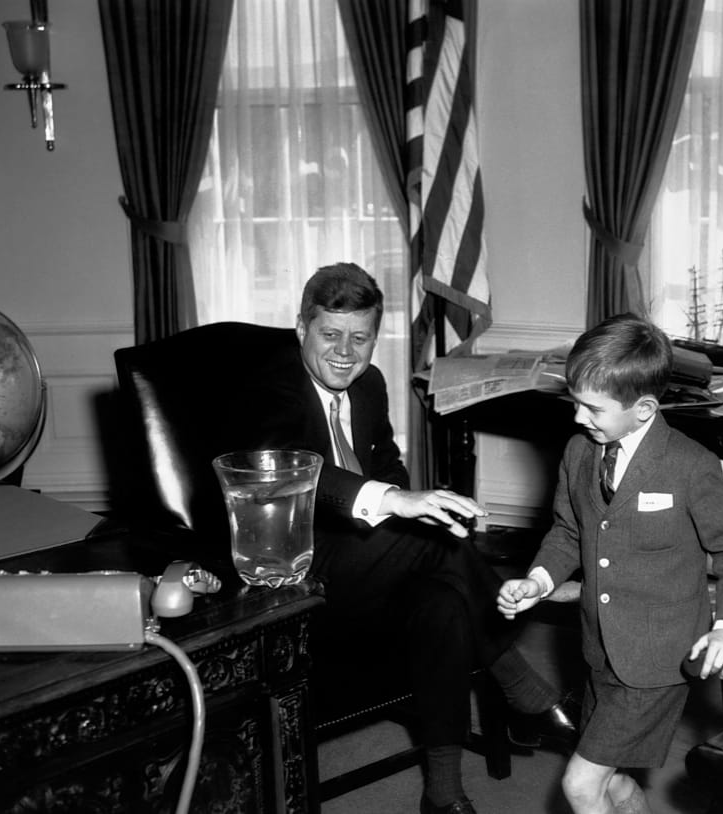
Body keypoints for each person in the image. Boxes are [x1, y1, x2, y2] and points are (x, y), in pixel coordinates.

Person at [235, 263, 577, 814]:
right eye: (330, 334)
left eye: (361, 337)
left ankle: (443, 789)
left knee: (441, 598)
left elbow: (387, 467)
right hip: (294, 568)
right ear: (302, 329)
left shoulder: (368, 384)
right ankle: (517, 679)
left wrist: (415, 504)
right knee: (434, 546)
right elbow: (292, 471)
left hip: (369, 565)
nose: (346, 352)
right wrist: (395, 503)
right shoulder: (268, 388)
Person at [496, 314, 723, 814]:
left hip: (658, 660)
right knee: (611, 783)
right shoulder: (579, 452)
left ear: (644, 408)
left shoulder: (689, 465)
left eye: (592, 408)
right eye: (574, 403)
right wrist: (537, 580)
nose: (578, 418)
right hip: (599, 651)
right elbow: (568, 531)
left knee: (580, 785)